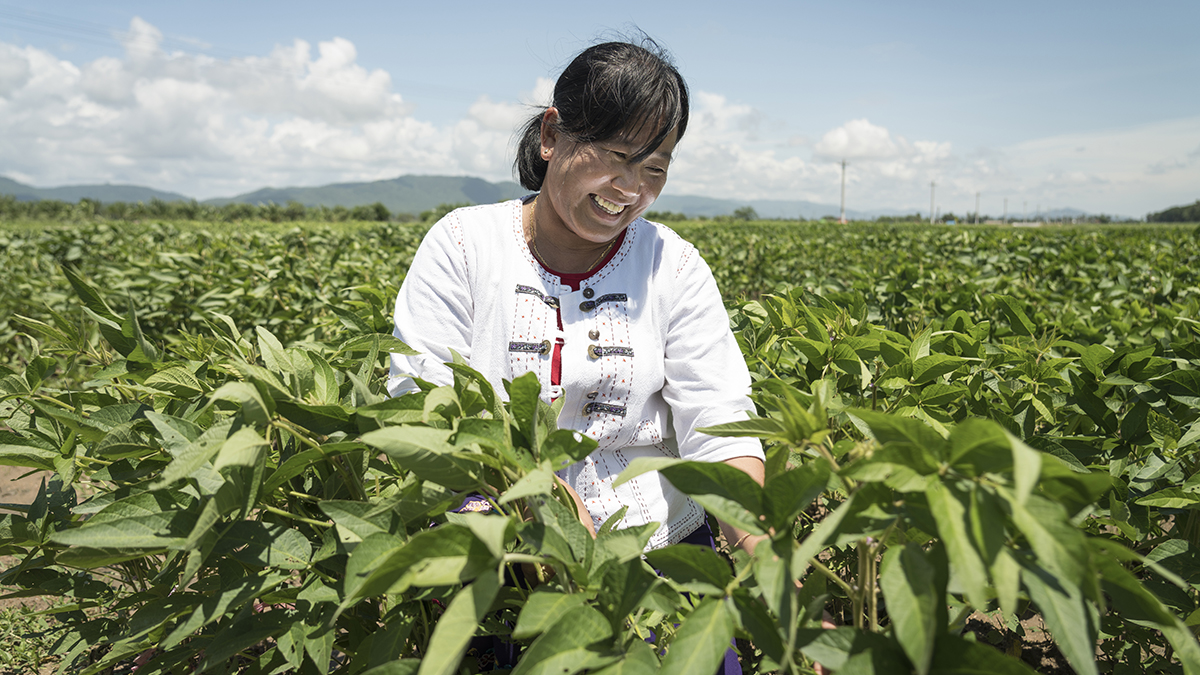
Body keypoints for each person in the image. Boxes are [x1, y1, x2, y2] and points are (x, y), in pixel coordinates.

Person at [389, 38, 774, 674]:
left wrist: (765, 552)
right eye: (618, 158)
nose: (630, 189)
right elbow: (422, 407)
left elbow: (717, 416)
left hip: (659, 565)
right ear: (552, 136)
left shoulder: (670, 264)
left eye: (655, 169)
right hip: (508, 573)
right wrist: (543, 516)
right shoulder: (464, 245)